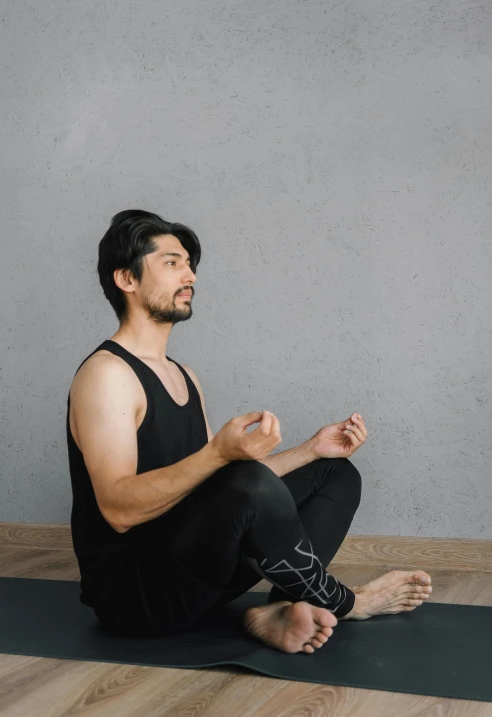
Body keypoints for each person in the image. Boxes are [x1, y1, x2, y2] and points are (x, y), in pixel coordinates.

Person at [66, 209, 433, 655]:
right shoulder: (106, 374)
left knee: (334, 472)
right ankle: (347, 602)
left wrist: (310, 451)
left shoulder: (183, 375)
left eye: (189, 264)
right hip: (136, 598)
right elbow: (118, 509)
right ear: (126, 279)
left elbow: (221, 492)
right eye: (171, 263)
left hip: (195, 574)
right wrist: (220, 453)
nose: (190, 276)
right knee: (248, 477)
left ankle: (282, 608)